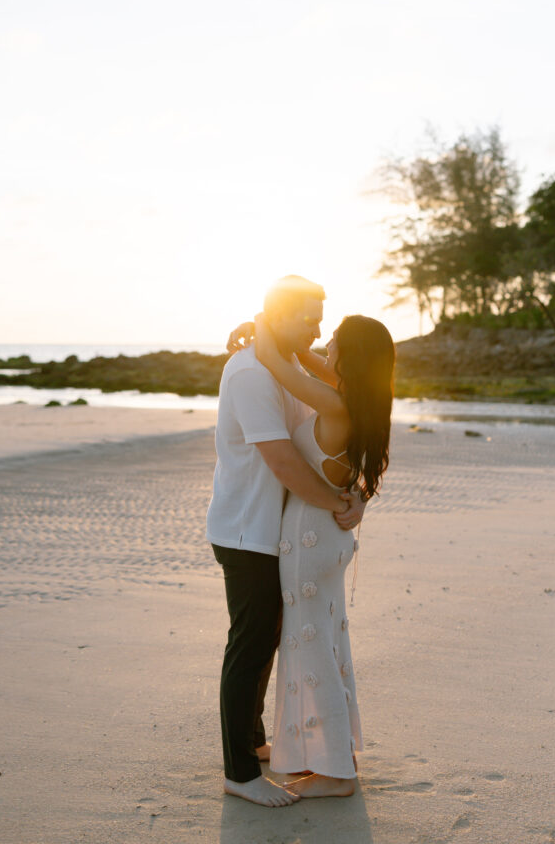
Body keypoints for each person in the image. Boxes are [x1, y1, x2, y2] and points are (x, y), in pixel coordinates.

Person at [206, 276, 366, 808]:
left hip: (279, 533)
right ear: (277, 315)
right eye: (309, 318)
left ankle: (253, 742)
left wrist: (353, 494)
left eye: (322, 319)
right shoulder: (252, 372)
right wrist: (338, 501)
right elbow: (283, 461)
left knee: (267, 640)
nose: (318, 330)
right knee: (249, 646)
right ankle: (239, 772)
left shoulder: (291, 366)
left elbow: (336, 436)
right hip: (247, 529)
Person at [245, 307, 395, 798]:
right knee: (326, 646)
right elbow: (305, 358)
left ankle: (335, 775)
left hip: (311, 539)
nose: (324, 344)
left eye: (332, 339)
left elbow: (273, 357)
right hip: (327, 539)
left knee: (311, 650)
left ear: (349, 356)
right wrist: (294, 339)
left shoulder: (334, 404)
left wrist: (263, 320)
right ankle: (334, 757)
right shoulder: (362, 398)